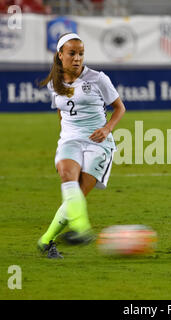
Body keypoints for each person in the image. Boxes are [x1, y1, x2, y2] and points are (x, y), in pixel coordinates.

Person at [38, 33, 126, 259]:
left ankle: (46, 240)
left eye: (81, 54)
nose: (77, 58)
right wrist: (66, 134)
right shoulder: (54, 84)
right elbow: (61, 110)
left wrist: (107, 129)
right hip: (70, 140)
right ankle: (82, 229)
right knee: (67, 176)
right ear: (60, 55)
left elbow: (119, 108)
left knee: (75, 195)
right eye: (72, 53)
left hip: (98, 143)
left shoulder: (98, 79)